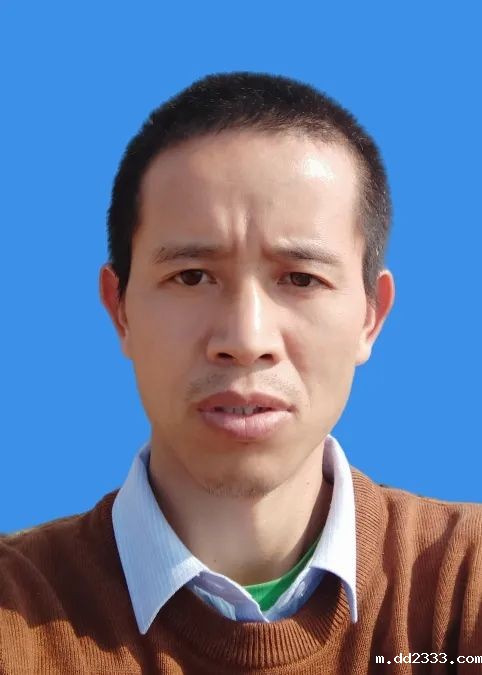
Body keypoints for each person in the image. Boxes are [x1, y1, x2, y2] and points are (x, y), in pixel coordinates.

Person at [1, 72, 481, 674]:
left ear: (370, 317)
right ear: (120, 309)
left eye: (301, 278)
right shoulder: (16, 615)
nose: (246, 340)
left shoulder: (462, 589)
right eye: (192, 277)